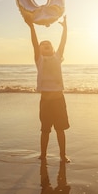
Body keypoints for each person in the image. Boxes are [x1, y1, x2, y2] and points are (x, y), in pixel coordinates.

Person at [26, 16, 70, 163]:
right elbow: (34, 42)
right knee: (45, 130)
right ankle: (43, 155)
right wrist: (31, 27)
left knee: (60, 129)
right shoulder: (40, 60)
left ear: (52, 49)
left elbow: (63, 43)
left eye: (48, 44)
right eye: (42, 44)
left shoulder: (57, 57)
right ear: (39, 50)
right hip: (45, 100)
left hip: (58, 99)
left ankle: (63, 155)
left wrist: (65, 28)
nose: (45, 45)